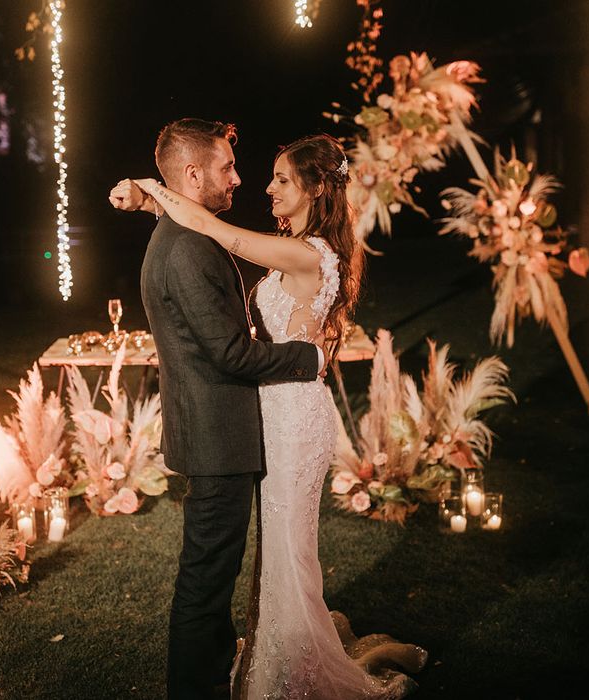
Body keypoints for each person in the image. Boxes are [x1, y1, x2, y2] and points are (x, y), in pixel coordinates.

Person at [126, 133, 427, 698]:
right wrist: (155, 197)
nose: (262, 186)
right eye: (253, 172)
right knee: (273, 557)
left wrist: (151, 194)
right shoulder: (296, 247)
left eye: (281, 179)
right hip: (272, 411)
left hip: (293, 415)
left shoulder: (308, 252)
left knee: (286, 552)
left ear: (315, 188)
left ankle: (291, 677)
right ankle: (278, 660)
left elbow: (221, 232)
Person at [109, 118, 327, 700]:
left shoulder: (176, 235)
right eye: (227, 167)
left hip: (212, 434)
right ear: (192, 173)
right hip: (219, 438)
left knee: (213, 575)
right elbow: (231, 353)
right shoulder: (188, 250)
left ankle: (212, 677)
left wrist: (143, 196)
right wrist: (306, 361)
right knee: (205, 583)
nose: (238, 178)